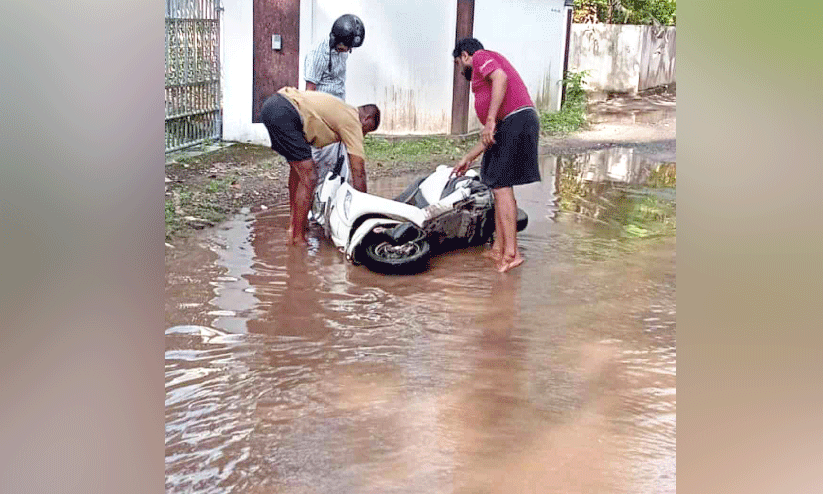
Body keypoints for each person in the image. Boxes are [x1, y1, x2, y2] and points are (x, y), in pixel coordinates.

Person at [451, 38, 541, 273]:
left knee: (501, 186)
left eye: (459, 63)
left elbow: (501, 77)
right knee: (497, 183)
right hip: (512, 122)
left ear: (464, 56)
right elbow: (493, 137)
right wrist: (468, 158)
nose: (460, 69)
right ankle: (499, 247)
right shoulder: (484, 78)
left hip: (516, 120)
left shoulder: (481, 56)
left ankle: (511, 253)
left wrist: (489, 119)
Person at [260, 86, 380, 245]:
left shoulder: (343, 110)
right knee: (310, 176)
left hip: (273, 105)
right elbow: (358, 173)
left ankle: (295, 225)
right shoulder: (353, 121)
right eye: (367, 130)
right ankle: (297, 238)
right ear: (366, 119)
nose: (363, 135)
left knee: (299, 172)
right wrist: (363, 214)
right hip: (286, 112)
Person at [303, 14, 365, 180]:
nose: (348, 51)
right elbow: (309, 93)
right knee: (320, 168)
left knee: (340, 165)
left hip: (338, 114)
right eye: (347, 47)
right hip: (322, 118)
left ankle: (338, 198)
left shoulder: (343, 50)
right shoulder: (318, 54)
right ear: (336, 40)